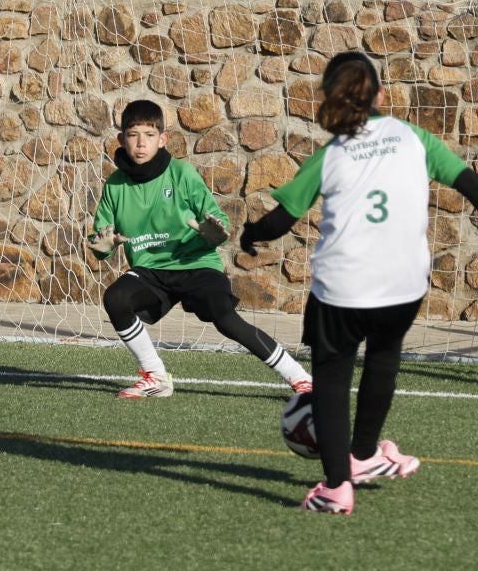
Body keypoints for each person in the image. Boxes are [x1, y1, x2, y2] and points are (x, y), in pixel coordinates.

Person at [240, 51, 478, 514]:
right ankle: (363, 455)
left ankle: (338, 487)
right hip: (404, 287)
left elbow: (280, 221)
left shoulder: (329, 155)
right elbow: (473, 185)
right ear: (380, 94)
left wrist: (251, 233)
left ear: (331, 98)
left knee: (331, 382)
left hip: (343, 290)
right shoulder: (413, 138)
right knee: (383, 358)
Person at [89, 99, 314, 399]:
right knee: (116, 298)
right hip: (150, 272)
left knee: (225, 318)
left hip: (196, 264)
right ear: (122, 139)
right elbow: (101, 241)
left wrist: (213, 234)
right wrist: (102, 247)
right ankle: (155, 376)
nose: (141, 143)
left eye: (149, 134)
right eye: (133, 135)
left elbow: (217, 223)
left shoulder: (181, 174)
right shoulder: (115, 185)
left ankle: (301, 378)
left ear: (163, 139)